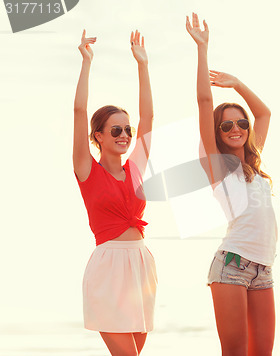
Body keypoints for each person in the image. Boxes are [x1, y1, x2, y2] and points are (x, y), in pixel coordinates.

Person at [186, 13, 277, 356]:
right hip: (232, 266)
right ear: (217, 133)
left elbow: (265, 114)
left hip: (264, 269)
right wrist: (202, 49)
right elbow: (204, 102)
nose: (236, 128)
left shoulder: (253, 164)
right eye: (226, 126)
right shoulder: (218, 167)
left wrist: (237, 83)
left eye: (241, 122)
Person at [73, 29, 156, 356]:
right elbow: (79, 112)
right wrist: (87, 63)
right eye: (116, 130)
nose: (124, 135)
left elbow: (148, 117)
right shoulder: (86, 170)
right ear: (99, 136)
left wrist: (143, 66)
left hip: (140, 266)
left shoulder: (135, 168)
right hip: (108, 268)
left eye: (127, 130)